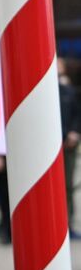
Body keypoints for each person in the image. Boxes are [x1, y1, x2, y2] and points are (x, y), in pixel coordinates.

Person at [58, 57, 81, 238]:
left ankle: (68, 224)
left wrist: (74, 132)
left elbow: (77, 114)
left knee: (67, 186)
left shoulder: (69, 92)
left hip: (68, 146)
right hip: (48, 148)